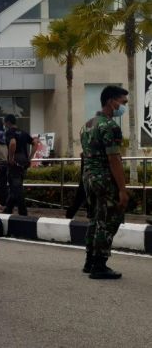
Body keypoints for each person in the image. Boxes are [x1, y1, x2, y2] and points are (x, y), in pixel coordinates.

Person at [80, 86, 130, 279]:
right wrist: (122, 190)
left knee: (95, 219)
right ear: (111, 101)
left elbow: (85, 155)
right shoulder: (109, 126)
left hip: (89, 178)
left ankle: (90, 261)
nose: (123, 107)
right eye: (122, 103)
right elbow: (114, 159)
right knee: (109, 220)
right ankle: (99, 265)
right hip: (104, 179)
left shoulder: (88, 124)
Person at [3, 114, 39, 216]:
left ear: (8, 122)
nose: (4, 124)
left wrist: (10, 158)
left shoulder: (10, 132)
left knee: (17, 187)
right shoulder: (23, 132)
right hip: (24, 160)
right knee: (15, 186)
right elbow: (35, 143)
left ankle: (23, 212)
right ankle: (8, 209)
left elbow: (13, 143)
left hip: (15, 161)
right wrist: (30, 158)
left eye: (5, 122)